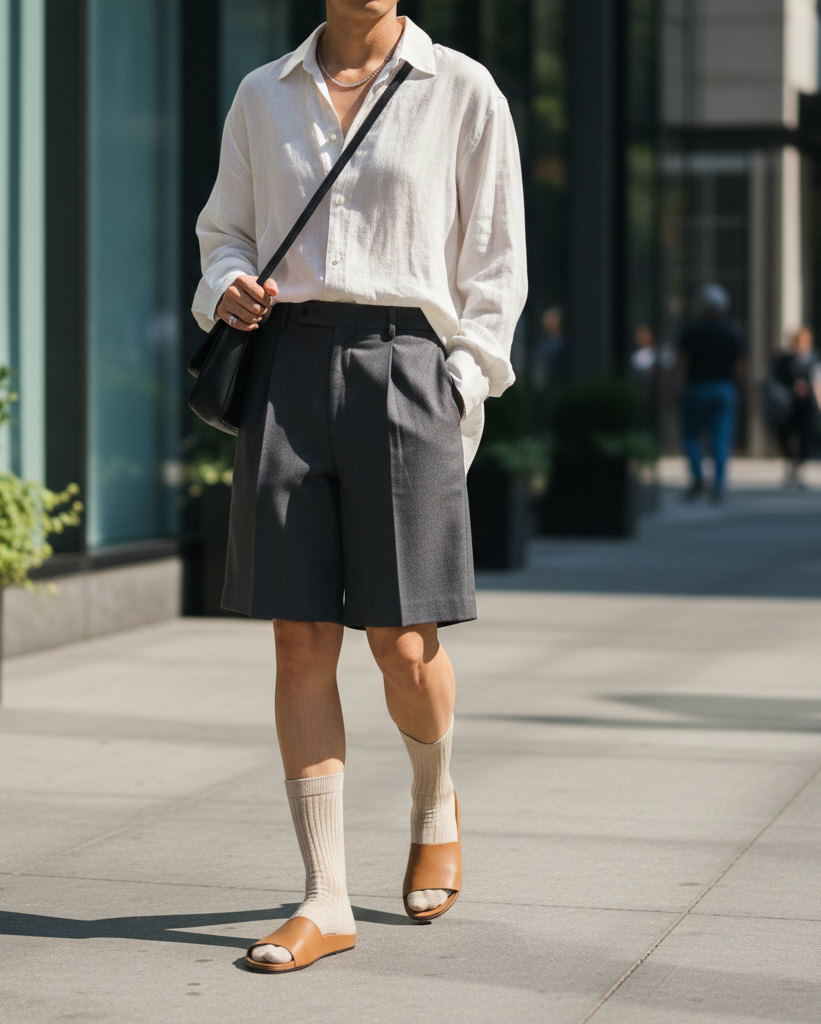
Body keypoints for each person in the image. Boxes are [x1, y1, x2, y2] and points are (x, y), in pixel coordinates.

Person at [192, 1, 526, 973]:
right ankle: (325, 895)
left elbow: (495, 267)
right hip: (288, 368)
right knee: (299, 634)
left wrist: (458, 382)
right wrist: (232, 285)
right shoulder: (264, 93)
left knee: (403, 642)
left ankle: (434, 794)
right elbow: (222, 232)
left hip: (407, 368)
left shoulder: (460, 90)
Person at [676, 283, 745, 501]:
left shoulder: (692, 330)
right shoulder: (730, 332)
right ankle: (719, 482)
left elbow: (681, 362)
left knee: (690, 434)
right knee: (720, 438)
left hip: (697, 388)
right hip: (723, 389)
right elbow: (740, 367)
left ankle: (697, 477)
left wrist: (669, 386)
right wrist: (743, 392)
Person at [771, 326, 821, 488]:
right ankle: (789, 468)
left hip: (807, 405)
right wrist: (793, 387)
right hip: (788, 405)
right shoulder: (785, 359)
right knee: (786, 435)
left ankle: (799, 470)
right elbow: (776, 380)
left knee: (805, 436)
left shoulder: (815, 359)